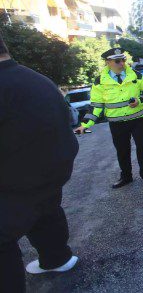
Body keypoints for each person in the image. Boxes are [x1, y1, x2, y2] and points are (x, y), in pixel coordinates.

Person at [0, 32, 79, 292]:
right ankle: (57, 258)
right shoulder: (38, 79)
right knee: (45, 209)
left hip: (15, 178)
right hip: (54, 167)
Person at [74, 48, 143, 189]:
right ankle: (126, 177)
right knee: (122, 150)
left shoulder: (135, 75)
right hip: (117, 123)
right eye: (117, 61)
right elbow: (96, 105)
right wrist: (85, 124)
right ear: (108, 62)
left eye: (123, 60)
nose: (122, 64)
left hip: (138, 120)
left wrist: (140, 99)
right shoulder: (99, 81)